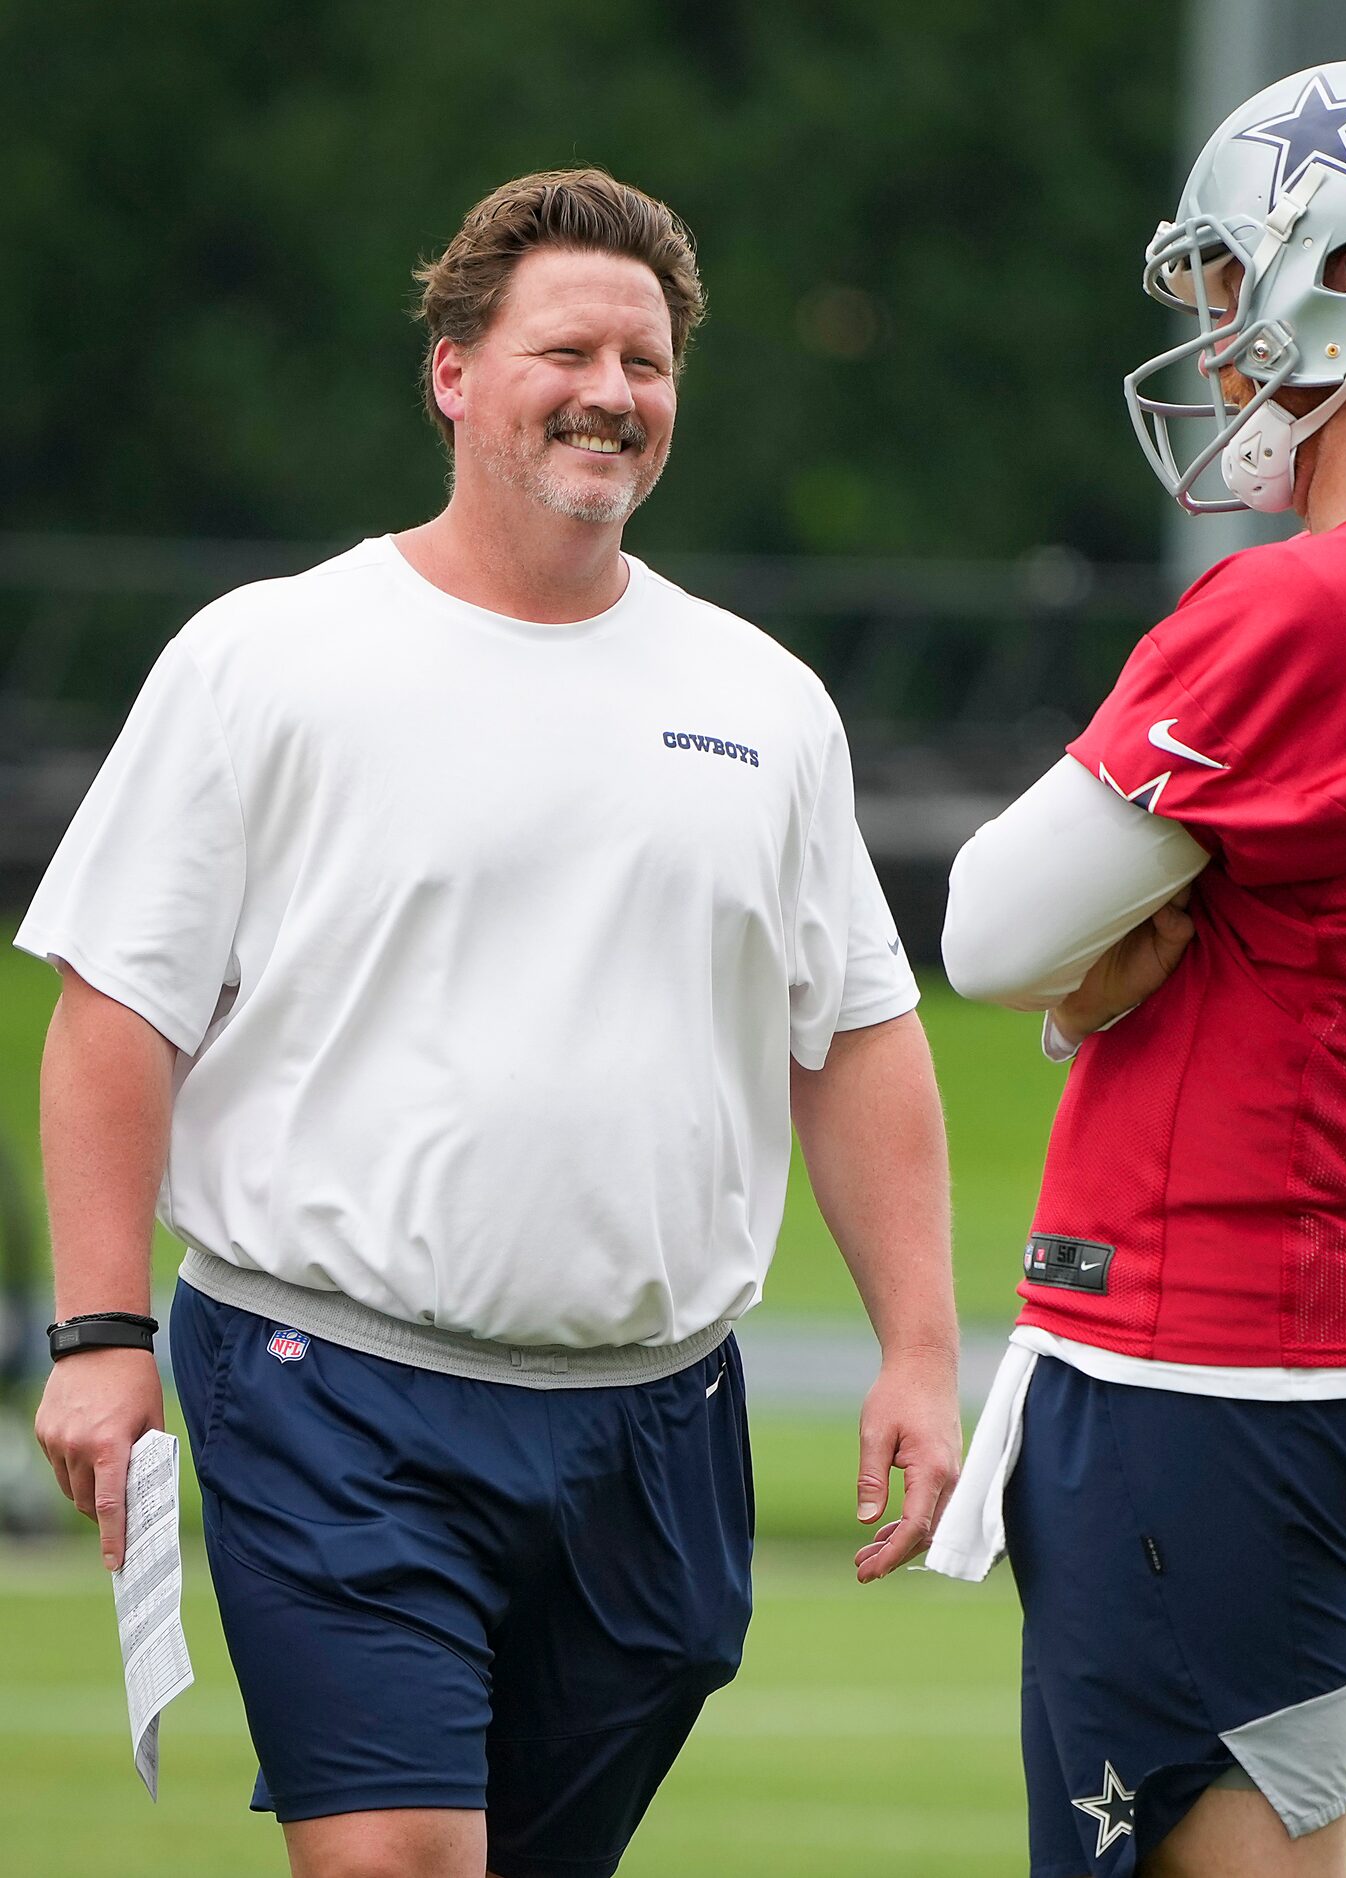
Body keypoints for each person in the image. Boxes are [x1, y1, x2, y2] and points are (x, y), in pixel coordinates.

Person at [23, 168, 960, 1878]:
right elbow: (114, 1007)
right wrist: (98, 1335)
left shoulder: (763, 699)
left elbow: (860, 1033)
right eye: (567, 349)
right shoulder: (271, 657)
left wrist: (916, 1345)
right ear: (453, 372)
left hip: (657, 1418)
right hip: (331, 1383)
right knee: (396, 1854)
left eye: (648, 359)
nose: (613, 389)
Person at [929, 60, 1346, 1878]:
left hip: (1217, 1337)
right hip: (1332, 1312)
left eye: (1230, 282)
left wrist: (1095, 954)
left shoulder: (1319, 597)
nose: (1218, 342)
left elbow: (987, 922)